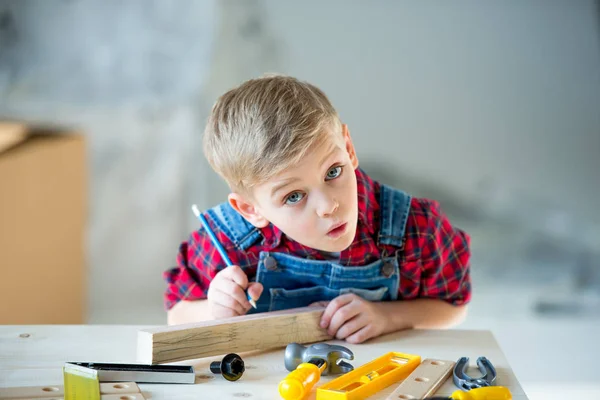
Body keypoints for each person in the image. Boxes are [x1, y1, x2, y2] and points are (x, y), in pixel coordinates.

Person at [163, 74, 471, 344]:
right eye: (294, 196)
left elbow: (454, 308)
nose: (329, 205)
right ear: (250, 209)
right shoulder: (229, 239)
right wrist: (214, 309)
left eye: (333, 172)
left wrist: (388, 317)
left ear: (348, 149)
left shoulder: (412, 227)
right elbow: (176, 314)